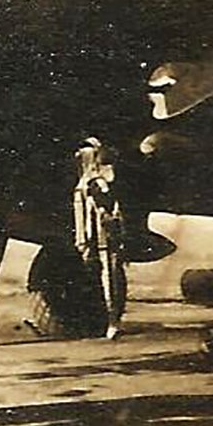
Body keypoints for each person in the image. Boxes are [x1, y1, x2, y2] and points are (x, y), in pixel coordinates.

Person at [73, 137, 127, 339]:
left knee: (109, 275)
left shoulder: (100, 181)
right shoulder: (85, 183)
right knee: (100, 273)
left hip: (102, 234)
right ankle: (107, 320)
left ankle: (113, 321)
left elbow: (107, 206)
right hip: (89, 235)